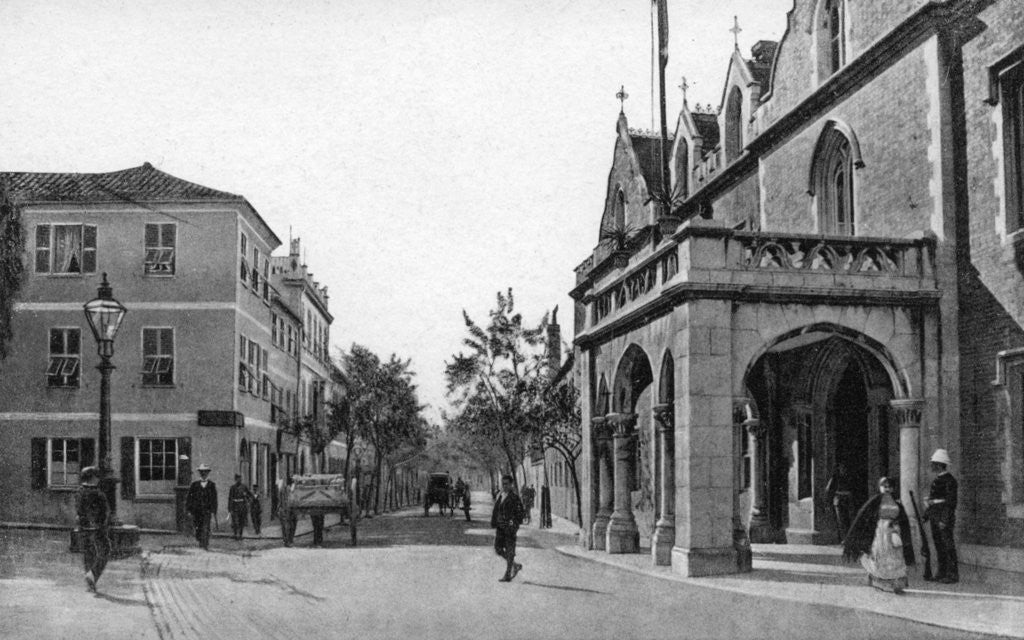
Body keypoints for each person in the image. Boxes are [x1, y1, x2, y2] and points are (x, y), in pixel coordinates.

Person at [843, 476, 915, 594]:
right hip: (880, 532)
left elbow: (902, 519)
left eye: (889, 487)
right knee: (880, 555)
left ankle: (895, 584)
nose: (887, 489)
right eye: (884, 486)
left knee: (895, 557)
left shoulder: (897, 503)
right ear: (880, 487)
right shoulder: (875, 502)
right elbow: (864, 516)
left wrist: (897, 525)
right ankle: (880, 582)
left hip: (893, 533)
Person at [925, 448, 959, 584]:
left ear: (939, 465)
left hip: (944, 517)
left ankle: (952, 575)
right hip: (935, 516)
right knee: (939, 545)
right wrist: (926, 516)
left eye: (933, 464)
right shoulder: (937, 480)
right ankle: (941, 572)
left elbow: (950, 503)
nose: (932, 466)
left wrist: (944, 520)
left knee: (948, 545)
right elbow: (933, 500)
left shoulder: (950, 481)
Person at [76, 466, 110, 592]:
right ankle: (93, 575)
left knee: (88, 553)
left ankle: (90, 583)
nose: (98, 479)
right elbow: (104, 512)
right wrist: (102, 524)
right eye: (97, 477)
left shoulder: (79, 492)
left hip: (83, 527)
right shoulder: (98, 493)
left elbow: (79, 511)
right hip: (97, 528)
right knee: (105, 550)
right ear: (93, 478)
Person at [491, 475, 525, 582]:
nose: (504, 486)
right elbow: (496, 510)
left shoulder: (514, 498)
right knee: (498, 548)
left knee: (510, 551)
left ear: (511, 485)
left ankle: (508, 574)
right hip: (500, 527)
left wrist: (513, 524)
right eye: (503, 484)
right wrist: (495, 522)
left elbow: (520, 514)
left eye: (506, 484)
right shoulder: (500, 496)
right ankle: (515, 565)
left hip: (509, 528)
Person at [186, 464, 218, 550]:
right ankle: (200, 539)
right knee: (198, 527)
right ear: (199, 473)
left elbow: (214, 498)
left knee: (206, 526)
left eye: (205, 472)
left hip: (207, 510)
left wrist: (214, 510)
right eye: (202, 472)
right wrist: (189, 510)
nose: (203, 474)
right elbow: (189, 498)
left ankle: (205, 543)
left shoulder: (212, 485)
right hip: (197, 511)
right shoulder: (194, 485)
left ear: (208, 473)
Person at [826, 462, 854, 542]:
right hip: (838, 501)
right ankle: (843, 539)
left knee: (848, 520)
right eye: (842, 468)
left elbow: (851, 490)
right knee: (840, 521)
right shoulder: (835, 478)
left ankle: (848, 539)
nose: (843, 470)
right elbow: (828, 489)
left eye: (845, 468)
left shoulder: (848, 478)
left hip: (847, 501)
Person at [228, 475, 251, 540]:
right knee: (235, 521)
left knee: (241, 521)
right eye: (237, 479)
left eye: (240, 478)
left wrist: (248, 499)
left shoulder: (244, 487)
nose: (239, 480)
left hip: (242, 506)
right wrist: (229, 508)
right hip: (235, 506)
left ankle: (240, 535)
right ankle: (235, 534)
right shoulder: (232, 488)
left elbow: (249, 495)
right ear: (235, 479)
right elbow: (230, 498)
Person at [279, 475, 298, 547]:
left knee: (286, 527)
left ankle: (287, 541)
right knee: (289, 526)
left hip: (286, 510)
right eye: (293, 482)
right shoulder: (290, 490)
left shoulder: (283, 489)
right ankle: (288, 541)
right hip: (288, 510)